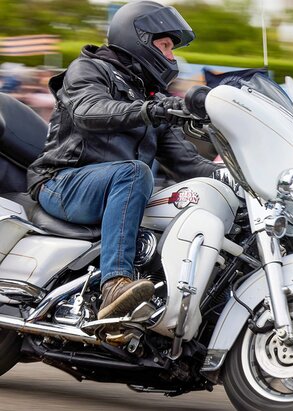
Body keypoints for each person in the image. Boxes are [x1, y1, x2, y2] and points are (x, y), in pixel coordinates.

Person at [26, 1, 220, 319]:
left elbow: (189, 164)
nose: (171, 56)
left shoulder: (150, 97)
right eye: (165, 46)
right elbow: (89, 111)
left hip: (110, 185)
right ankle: (114, 284)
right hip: (61, 182)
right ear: (139, 38)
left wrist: (235, 178)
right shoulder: (89, 69)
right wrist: (149, 111)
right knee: (134, 173)